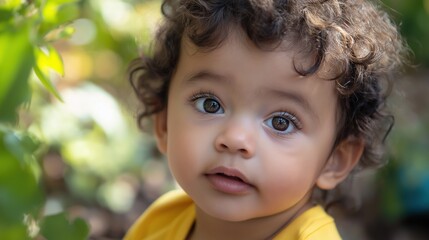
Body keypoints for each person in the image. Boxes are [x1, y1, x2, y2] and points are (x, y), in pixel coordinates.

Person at [125, 0, 407, 239]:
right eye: (210, 104)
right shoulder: (161, 221)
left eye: (281, 122)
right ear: (163, 123)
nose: (235, 139)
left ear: (335, 158)